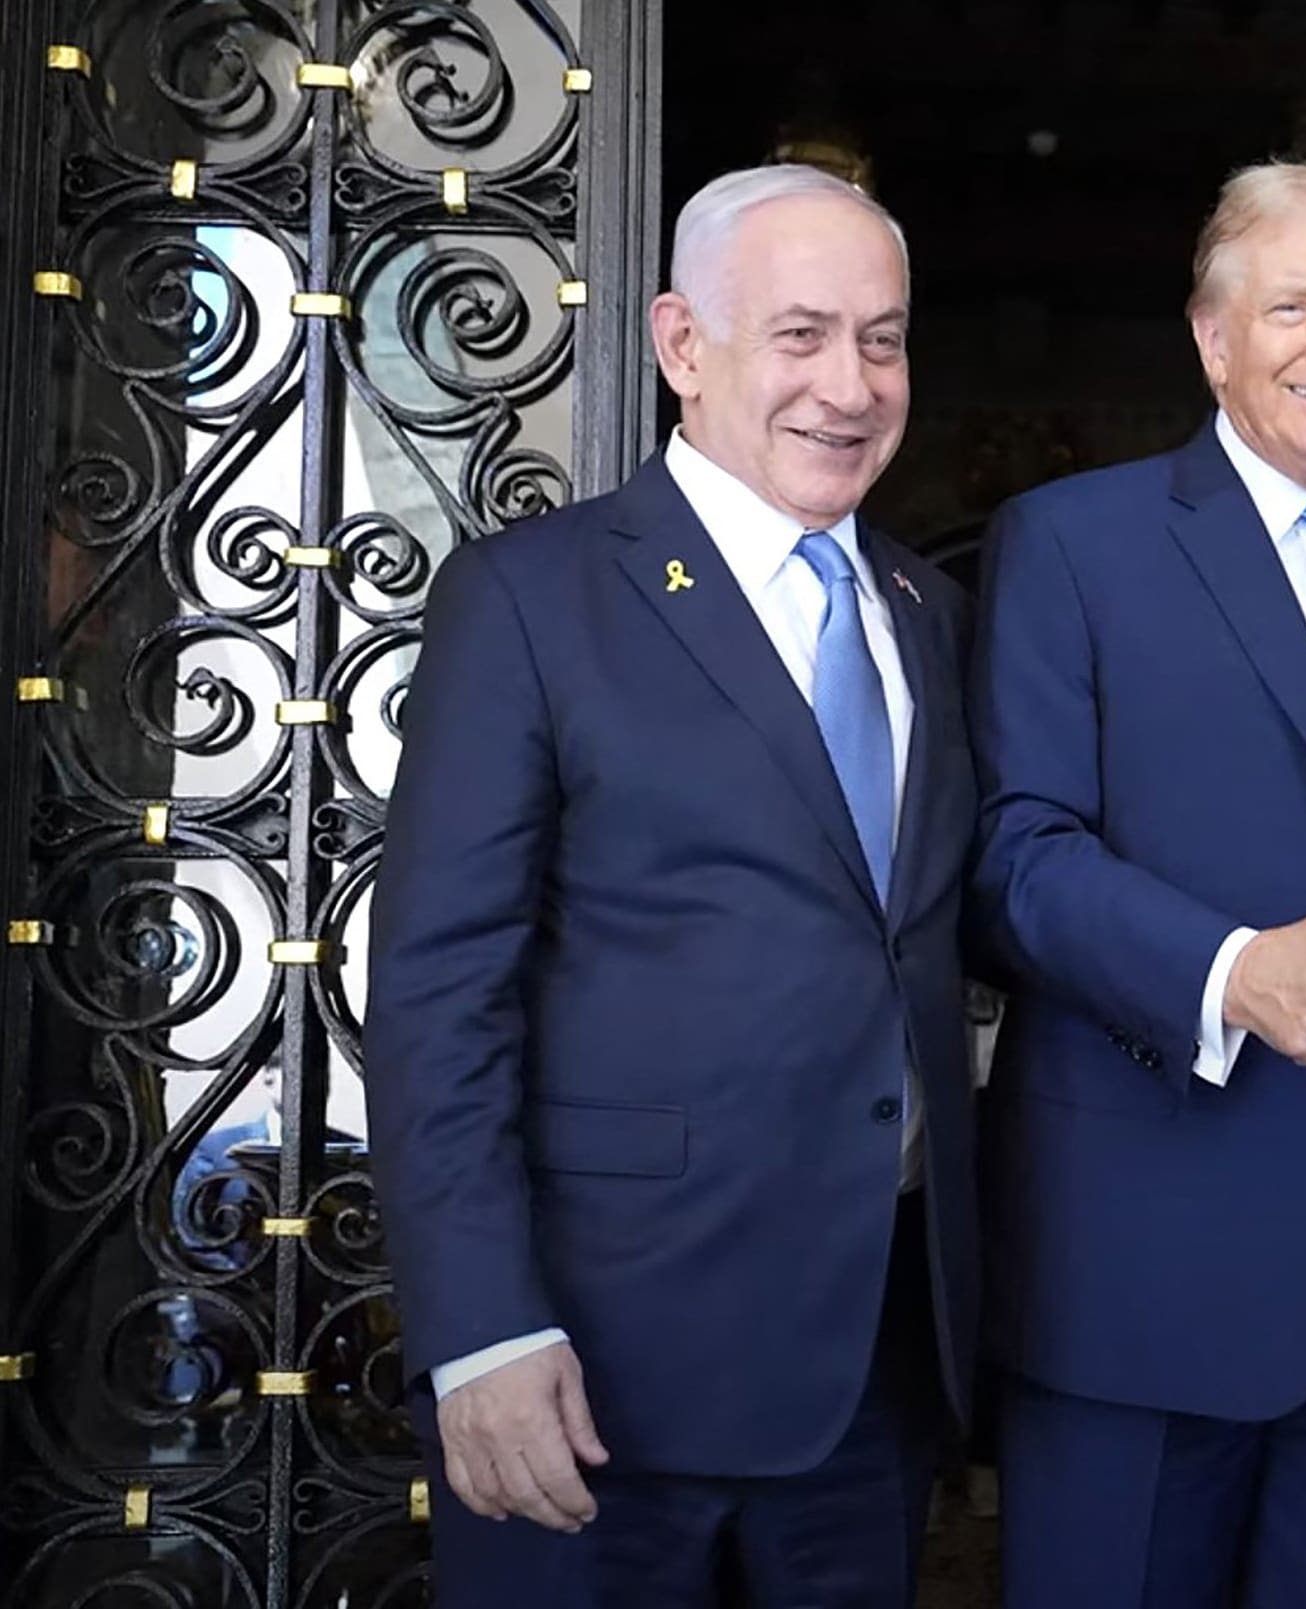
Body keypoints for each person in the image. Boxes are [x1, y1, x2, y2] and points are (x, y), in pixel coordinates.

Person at [365, 163, 978, 1607]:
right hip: (596, 1371)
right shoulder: (530, 596)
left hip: (873, 1364)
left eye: (882, 339)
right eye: (802, 333)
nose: (851, 382)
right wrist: (482, 1329)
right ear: (681, 345)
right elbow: (439, 991)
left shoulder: (925, 609)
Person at [969, 160, 1306, 1608]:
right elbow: (1014, 857)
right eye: (1292, 305)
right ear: (1214, 338)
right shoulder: (1073, 544)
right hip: (1146, 1264)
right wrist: (1230, 972)